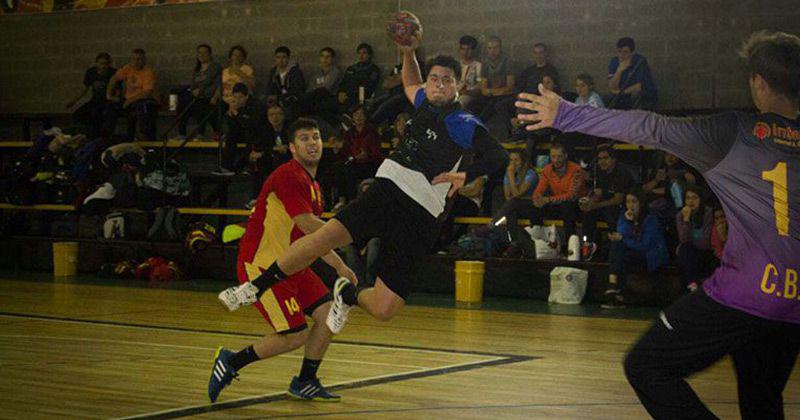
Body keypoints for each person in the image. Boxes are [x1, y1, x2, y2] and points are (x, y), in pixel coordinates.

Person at [516, 30, 800, 420]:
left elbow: (651, 127)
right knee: (762, 399)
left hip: (745, 292)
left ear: (758, 82)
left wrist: (567, 113)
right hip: (793, 304)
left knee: (646, 366)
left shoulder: (733, 132)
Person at [218, 31, 508, 336]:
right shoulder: (423, 101)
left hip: (423, 214)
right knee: (325, 237)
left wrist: (467, 173)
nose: (437, 84)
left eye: (446, 80)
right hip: (389, 189)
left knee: (385, 308)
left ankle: (348, 295)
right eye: (433, 78)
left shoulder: (462, 123)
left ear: (458, 86)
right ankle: (255, 287)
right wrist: (408, 53)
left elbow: (498, 156)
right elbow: (411, 83)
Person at [207, 118, 356, 404]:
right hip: (263, 266)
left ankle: (306, 381)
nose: (312, 143)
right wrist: (343, 242)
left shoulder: (312, 183)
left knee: (329, 315)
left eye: (316, 137)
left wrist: (338, 265)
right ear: (291, 147)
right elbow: (311, 226)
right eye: (304, 138)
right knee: (294, 334)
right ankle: (231, 361)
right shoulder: (289, 176)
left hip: (295, 266)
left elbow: (312, 236)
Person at [604, 188, 670, 308]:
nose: (630, 205)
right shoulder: (625, 216)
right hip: (634, 253)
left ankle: (615, 287)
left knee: (619, 248)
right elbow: (621, 235)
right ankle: (614, 288)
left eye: (634, 201)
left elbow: (645, 245)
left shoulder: (651, 219)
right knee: (617, 246)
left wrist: (623, 239)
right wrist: (629, 223)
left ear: (641, 203)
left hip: (650, 257)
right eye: (628, 201)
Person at [580, 144, 634, 254]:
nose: (602, 162)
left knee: (610, 212)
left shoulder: (621, 172)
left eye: (605, 158)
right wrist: (590, 203)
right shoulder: (600, 171)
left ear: (613, 159)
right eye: (599, 159)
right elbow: (598, 193)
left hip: (624, 206)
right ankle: (589, 245)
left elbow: (618, 200)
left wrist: (595, 205)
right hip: (606, 205)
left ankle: (618, 248)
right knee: (588, 213)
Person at [529, 142, 586, 247]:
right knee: (535, 207)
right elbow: (538, 191)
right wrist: (537, 199)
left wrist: (548, 199)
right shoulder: (547, 169)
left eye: (559, 156)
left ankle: (570, 246)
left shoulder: (576, 170)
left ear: (566, 156)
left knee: (568, 207)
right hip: (556, 204)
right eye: (553, 156)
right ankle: (540, 243)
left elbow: (571, 196)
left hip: (576, 206)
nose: (556, 160)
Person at [103, 48, 158, 141]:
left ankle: (144, 135)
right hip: (128, 101)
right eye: (134, 59)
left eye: (139, 59)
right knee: (110, 106)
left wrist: (129, 101)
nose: (136, 62)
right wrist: (109, 95)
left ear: (144, 60)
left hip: (142, 100)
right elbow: (114, 79)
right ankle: (107, 135)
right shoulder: (128, 68)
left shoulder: (148, 73)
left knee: (143, 106)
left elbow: (147, 93)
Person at [214, 83, 264, 176]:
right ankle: (227, 166)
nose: (238, 100)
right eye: (235, 97)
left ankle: (240, 167)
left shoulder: (256, 105)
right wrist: (230, 115)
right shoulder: (235, 106)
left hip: (257, 133)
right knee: (231, 136)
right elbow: (232, 127)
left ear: (246, 96)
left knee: (251, 138)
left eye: (240, 97)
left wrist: (237, 114)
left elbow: (252, 124)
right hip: (243, 133)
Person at [675, 185, 716, 291]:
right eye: (688, 198)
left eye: (694, 198)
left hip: (706, 252)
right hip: (690, 252)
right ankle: (692, 286)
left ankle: (691, 286)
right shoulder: (681, 215)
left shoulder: (708, 213)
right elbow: (684, 239)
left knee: (685, 250)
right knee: (685, 250)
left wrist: (690, 242)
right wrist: (687, 219)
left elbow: (706, 242)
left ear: (700, 199)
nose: (690, 201)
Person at [177, 44, 222, 141]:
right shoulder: (196, 70)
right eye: (199, 53)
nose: (201, 55)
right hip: (196, 96)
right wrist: (194, 91)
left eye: (204, 52)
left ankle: (201, 133)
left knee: (201, 105)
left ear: (210, 54)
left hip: (209, 96)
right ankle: (182, 133)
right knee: (182, 104)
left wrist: (201, 91)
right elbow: (192, 84)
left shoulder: (215, 67)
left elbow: (216, 84)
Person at [67, 52, 116, 138]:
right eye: (101, 63)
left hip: (107, 101)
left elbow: (118, 89)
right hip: (95, 100)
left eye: (106, 64)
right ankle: (82, 134)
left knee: (97, 114)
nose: (103, 66)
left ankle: (97, 136)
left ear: (109, 64)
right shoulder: (91, 72)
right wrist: (74, 100)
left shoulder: (113, 73)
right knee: (77, 114)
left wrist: (114, 99)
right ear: (97, 63)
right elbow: (85, 89)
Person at [606, 37, 657, 110]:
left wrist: (620, 93)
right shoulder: (614, 61)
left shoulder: (639, 62)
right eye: (619, 51)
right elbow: (612, 87)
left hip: (640, 96)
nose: (621, 55)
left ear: (632, 53)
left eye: (625, 52)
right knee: (606, 98)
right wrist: (619, 71)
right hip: (622, 95)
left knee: (636, 96)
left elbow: (639, 87)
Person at [266, 46, 306, 119]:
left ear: (288, 58)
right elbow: (270, 87)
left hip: (293, 100)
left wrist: (280, 98)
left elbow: (296, 90)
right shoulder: (274, 72)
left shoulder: (295, 71)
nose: (281, 60)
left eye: (284, 57)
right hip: (278, 100)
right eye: (278, 57)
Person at [338, 43, 380, 110]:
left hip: (359, 98)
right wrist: (341, 92)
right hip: (344, 97)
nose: (361, 56)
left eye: (364, 53)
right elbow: (343, 82)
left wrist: (349, 94)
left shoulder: (373, 70)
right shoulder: (351, 69)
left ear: (369, 55)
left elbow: (369, 87)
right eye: (359, 53)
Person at [220, 45, 256, 110]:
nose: (237, 57)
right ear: (231, 57)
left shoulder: (247, 69)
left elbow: (252, 85)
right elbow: (220, 86)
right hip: (226, 98)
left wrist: (239, 73)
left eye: (240, 55)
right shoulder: (225, 71)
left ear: (243, 57)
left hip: (241, 98)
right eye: (234, 55)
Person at [456, 35, 482, 108]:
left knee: (459, 102)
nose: (465, 52)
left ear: (473, 50)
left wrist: (464, 92)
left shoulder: (478, 66)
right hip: (455, 93)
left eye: (468, 49)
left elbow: (479, 89)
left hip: (469, 95)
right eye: (463, 49)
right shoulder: (456, 64)